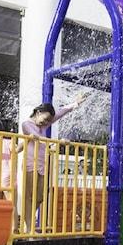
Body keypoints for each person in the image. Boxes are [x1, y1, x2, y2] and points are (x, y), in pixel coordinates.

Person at [20, 92, 88, 233]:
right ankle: (29, 226)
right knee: (29, 195)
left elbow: (61, 112)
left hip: (42, 164)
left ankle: (27, 221)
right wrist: (59, 142)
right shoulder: (27, 124)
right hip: (30, 163)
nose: (46, 123)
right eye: (44, 119)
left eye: (48, 121)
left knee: (39, 197)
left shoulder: (45, 123)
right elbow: (38, 138)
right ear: (38, 112)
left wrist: (76, 103)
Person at [0, 117, 25, 203]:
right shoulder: (8, 141)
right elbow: (16, 150)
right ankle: (12, 217)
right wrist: (26, 141)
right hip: (8, 177)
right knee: (11, 205)